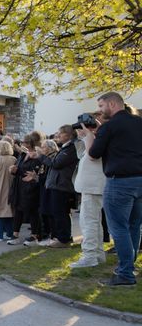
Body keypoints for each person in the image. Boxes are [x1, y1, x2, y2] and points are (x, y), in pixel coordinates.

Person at [84, 92, 142, 286]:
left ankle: (125, 274)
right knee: (134, 225)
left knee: (119, 228)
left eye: (101, 106)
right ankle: (129, 267)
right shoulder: (139, 122)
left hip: (120, 182)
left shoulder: (109, 127)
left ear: (112, 104)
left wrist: (89, 136)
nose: (99, 110)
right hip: (139, 180)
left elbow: (93, 154)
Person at [71, 115, 107, 267]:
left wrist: (89, 134)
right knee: (94, 222)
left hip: (93, 187)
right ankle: (97, 254)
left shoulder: (94, 140)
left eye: (80, 128)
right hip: (92, 187)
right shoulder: (95, 139)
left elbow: (92, 156)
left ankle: (90, 256)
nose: (78, 131)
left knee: (88, 222)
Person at [39, 125, 78, 247]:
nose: (58, 135)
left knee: (60, 212)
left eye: (60, 133)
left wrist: (41, 156)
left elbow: (56, 163)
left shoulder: (71, 148)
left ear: (68, 135)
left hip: (62, 185)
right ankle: (62, 237)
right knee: (58, 212)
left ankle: (63, 239)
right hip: (58, 184)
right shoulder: (65, 147)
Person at [7, 133, 44, 246]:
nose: (23, 144)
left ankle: (34, 235)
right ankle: (15, 235)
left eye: (25, 142)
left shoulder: (37, 156)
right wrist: (13, 169)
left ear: (31, 143)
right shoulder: (23, 154)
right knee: (18, 210)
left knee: (32, 211)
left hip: (31, 187)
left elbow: (31, 173)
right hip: (19, 186)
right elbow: (19, 167)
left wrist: (17, 171)